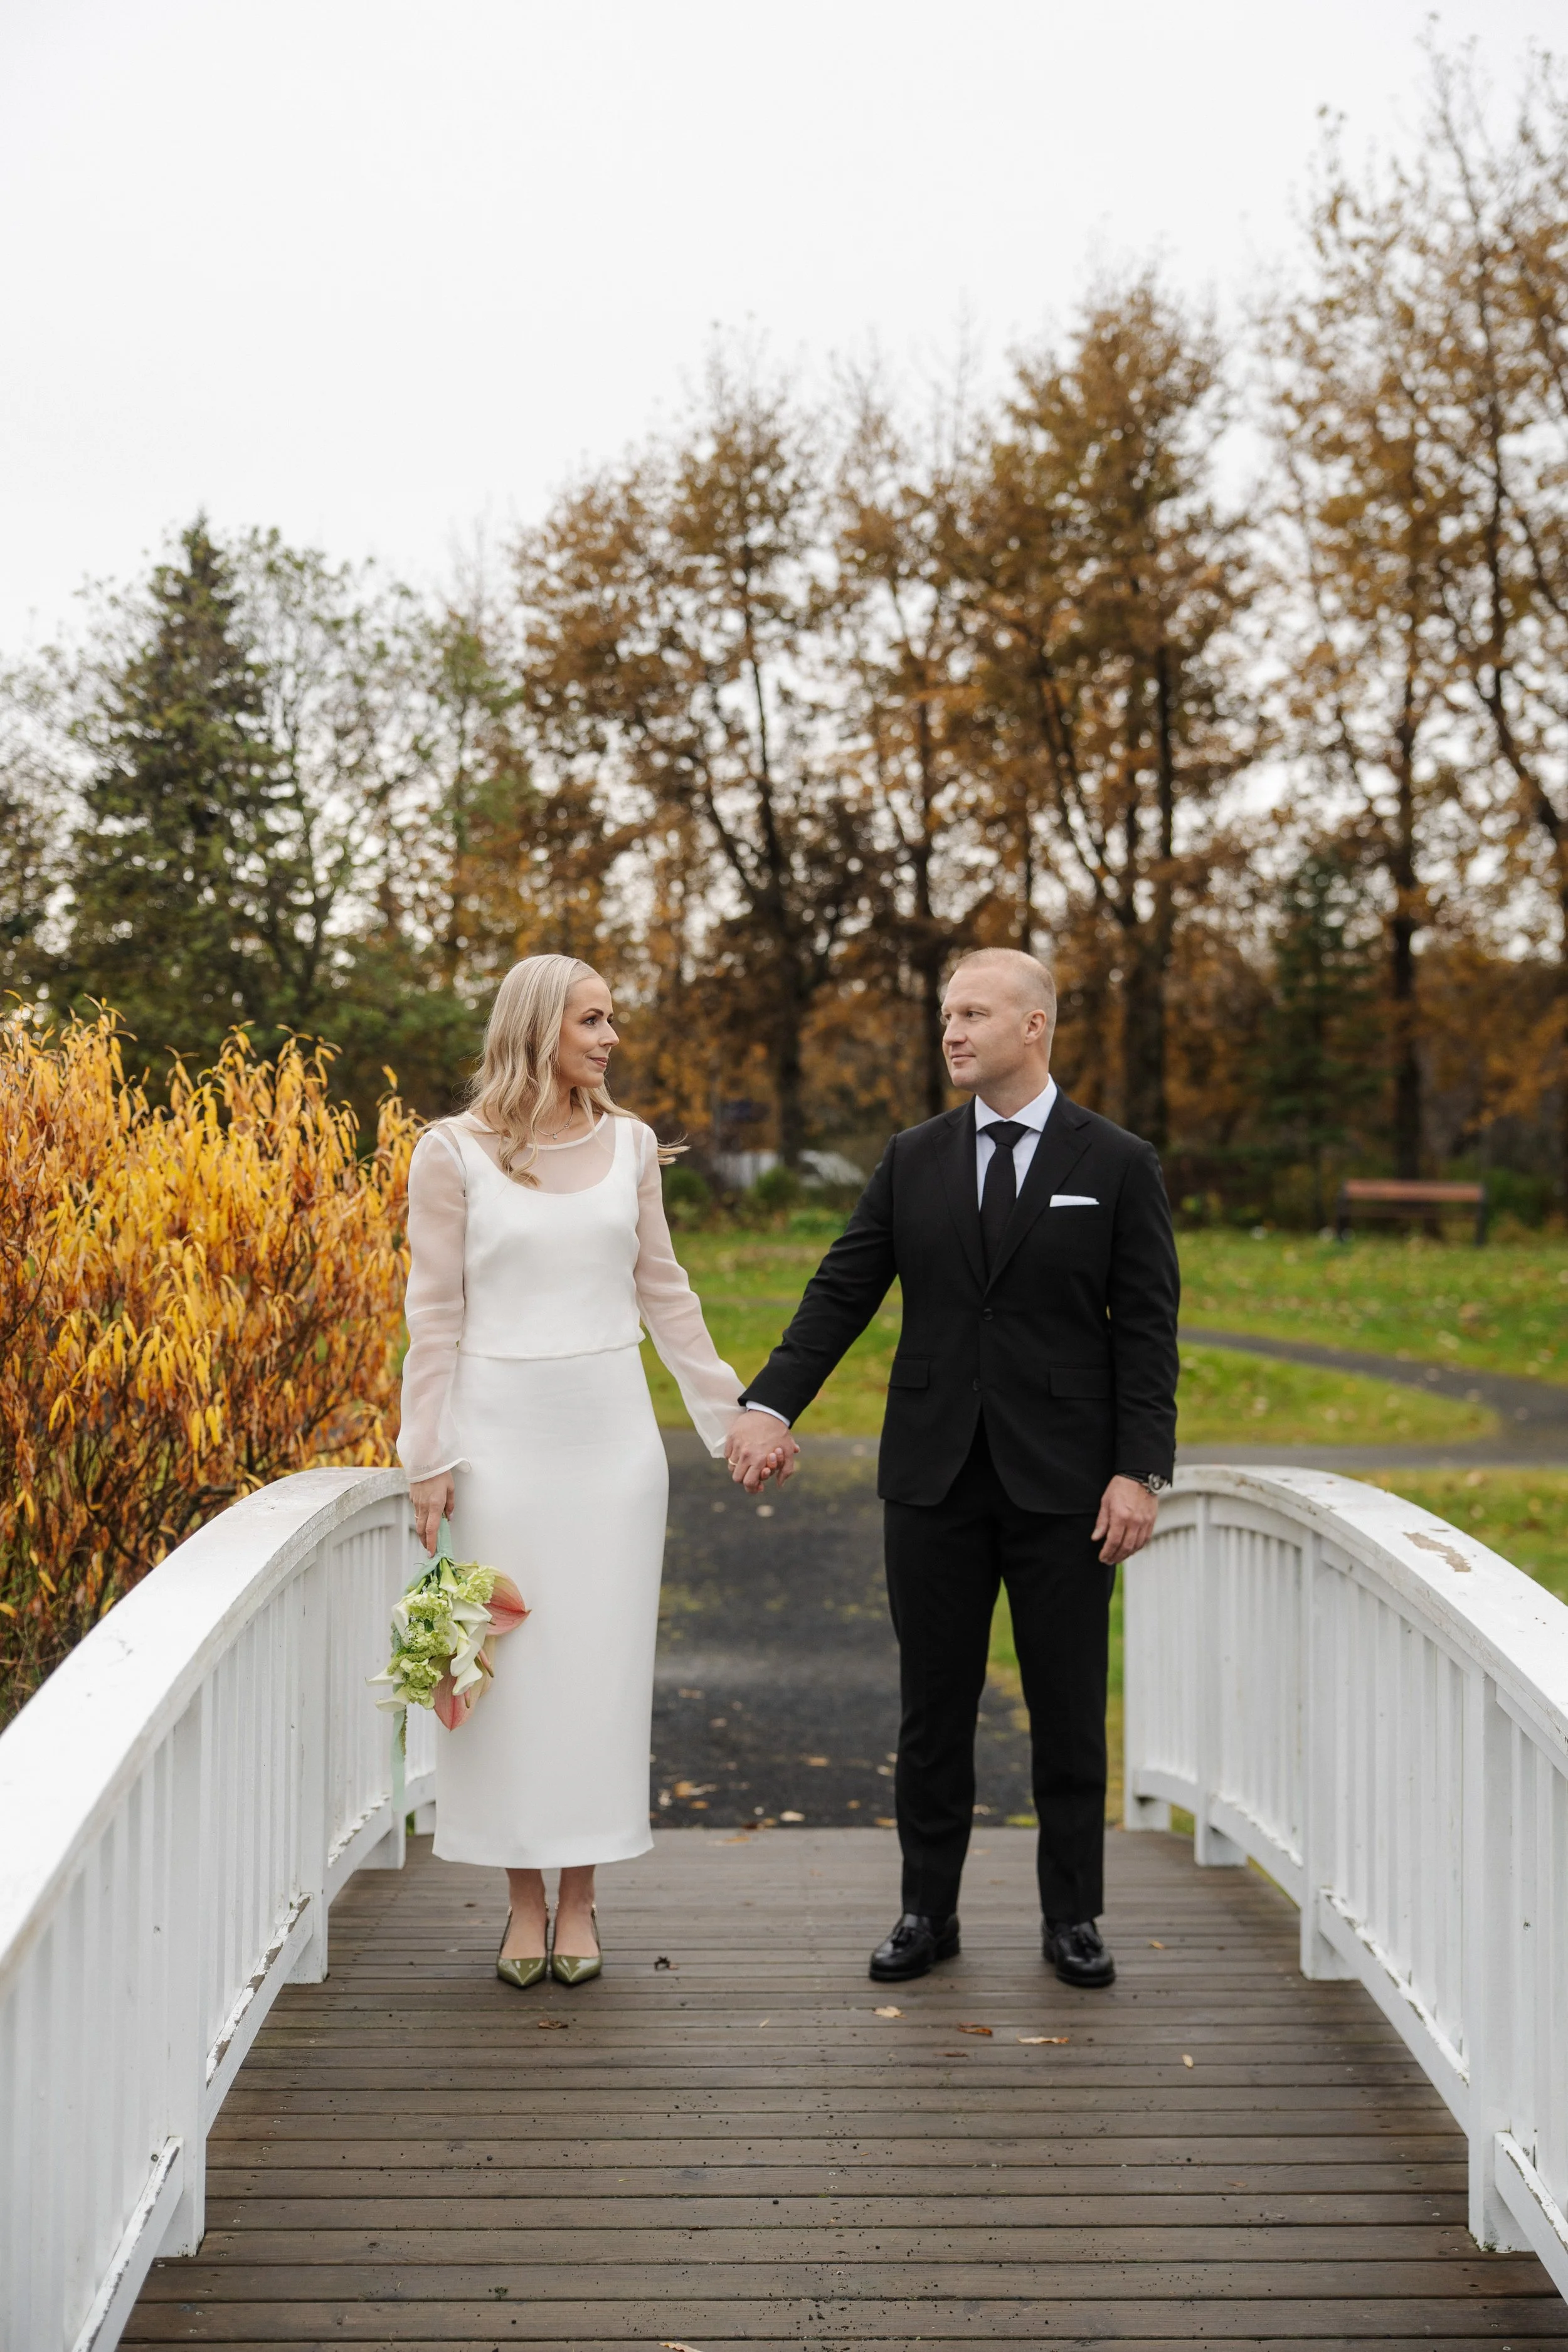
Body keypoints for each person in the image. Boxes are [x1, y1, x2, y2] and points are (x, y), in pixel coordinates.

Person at [726, 947, 1180, 1988]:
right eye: (945, 1014)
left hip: (1067, 1486)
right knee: (933, 1709)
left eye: (974, 1012)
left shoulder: (1116, 1162)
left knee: (1068, 1708)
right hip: (931, 1480)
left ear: (1036, 1026)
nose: (952, 1031)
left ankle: (1073, 1916)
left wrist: (1139, 1470)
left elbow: (1148, 1332)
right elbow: (842, 1290)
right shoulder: (913, 1156)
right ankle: (926, 1911)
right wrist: (770, 1401)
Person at [398, 954, 786, 1989]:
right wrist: (426, 1454)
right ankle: (521, 1901)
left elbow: (666, 1290)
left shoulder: (632, 1146)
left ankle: (582, 1898)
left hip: (612, 1446)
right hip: (496, 1446)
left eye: (612, 1020)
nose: (611, 1038)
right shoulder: (451, 1153)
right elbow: (432, 1317)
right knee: (506, 1673)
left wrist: (731, 1416)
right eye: (593, 1019)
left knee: (600, 1676)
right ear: (539, 1028)